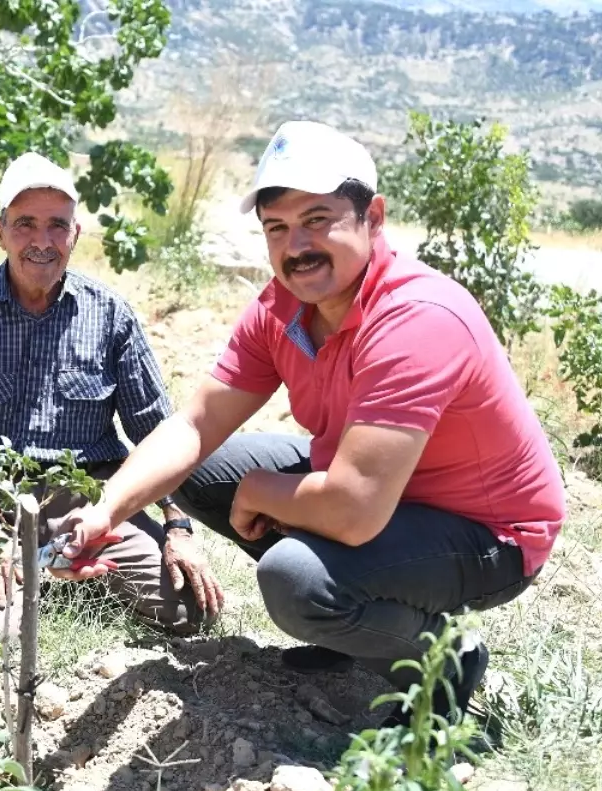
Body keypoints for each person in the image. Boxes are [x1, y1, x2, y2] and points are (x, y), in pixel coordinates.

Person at [58, 120, 565, 724]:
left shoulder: (417, 319)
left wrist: (261, 491)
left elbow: (352, 510)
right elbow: (195, 425)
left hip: (486, 534)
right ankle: (357, 626)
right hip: (381, 499)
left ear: (372, 217)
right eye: (277, 227)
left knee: (295, 580)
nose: (296, 245)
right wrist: (104, 512)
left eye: (318, 220)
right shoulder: (282, 306)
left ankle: (444, 658)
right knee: (197, 471)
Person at [0, 151, 222, 639]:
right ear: (0, 231)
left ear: (75, 234)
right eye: (25, 224)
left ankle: (60, 567)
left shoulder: (110, 314)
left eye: (57, 225)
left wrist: (178, 528)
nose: (42, 241)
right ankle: (36, 570)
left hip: (88, 503)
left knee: (189, 609)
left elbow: (159, 431)